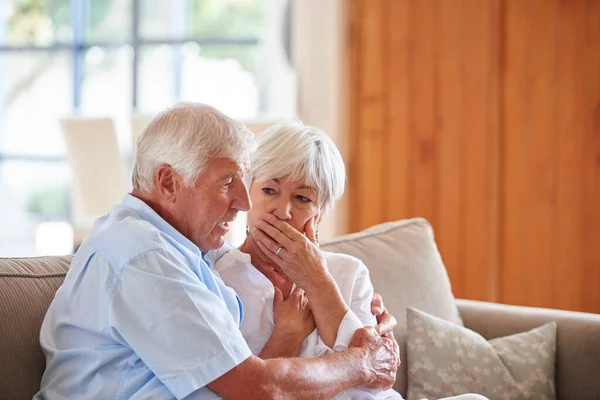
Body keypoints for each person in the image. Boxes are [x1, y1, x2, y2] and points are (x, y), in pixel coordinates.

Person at [34, 103, 400, 400]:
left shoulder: (187, 257)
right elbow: (259, 386)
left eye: (303, 198)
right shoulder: (145, 256)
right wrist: (362, 361)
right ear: (168, 182)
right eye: (228, 182)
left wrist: (326, 292)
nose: (243, 203)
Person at [214, 121, 488, 400]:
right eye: (270, 190)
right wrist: (289, 333)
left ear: (320, 214)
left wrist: (317, 281)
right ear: (247, 193)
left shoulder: (348, 271)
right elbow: (250, 392)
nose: (283, 212)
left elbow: (373, 380)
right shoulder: (220, 277)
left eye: (301, 198)